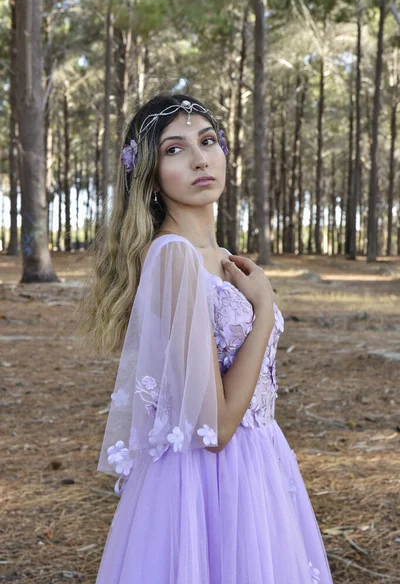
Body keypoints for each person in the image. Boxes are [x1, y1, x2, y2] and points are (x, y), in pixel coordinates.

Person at [77, 93, 334, 583]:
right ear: (150, 174)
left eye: (208, 140)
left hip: (259, 465)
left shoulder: (221, 258)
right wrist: (263, 310)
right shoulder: (174, 256)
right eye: (175, 149)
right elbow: (213, 429)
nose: (199, 158)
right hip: (204, 483)